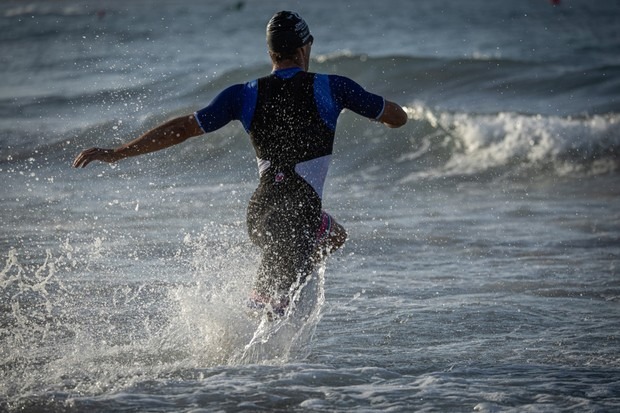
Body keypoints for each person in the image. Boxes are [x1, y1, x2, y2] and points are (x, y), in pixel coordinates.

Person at [73, 11, 407, 317]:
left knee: (334, 237)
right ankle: (248, 371)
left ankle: (269, 344)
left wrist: (118, 153)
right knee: (265, 313)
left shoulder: (245, 93)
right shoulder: (332, 87)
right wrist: (388, 115)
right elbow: (397, 117)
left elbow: (183, 128)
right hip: (297, 213)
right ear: (305, 48)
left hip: (262, 211)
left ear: (270, 53)